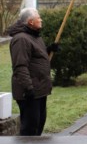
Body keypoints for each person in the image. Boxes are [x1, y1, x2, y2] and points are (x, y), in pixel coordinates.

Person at [9, 8, 57, 136]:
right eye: (38, 17)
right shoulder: (21, 39)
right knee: (30, 128)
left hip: (40, 90)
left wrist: (49, 50)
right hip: (30, 92)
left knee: (39, 124)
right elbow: (20, 66)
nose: (41, 19)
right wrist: (29, 88)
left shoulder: (34, 36)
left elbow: (35, 58)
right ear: (30, 22)